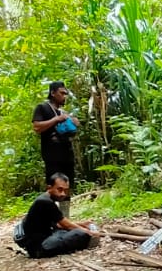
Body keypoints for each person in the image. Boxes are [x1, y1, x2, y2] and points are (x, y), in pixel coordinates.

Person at [15, 173, 100, 258]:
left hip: (43, 240)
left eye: (65, 190)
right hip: (39, 248)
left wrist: (82, 224)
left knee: (68, 231)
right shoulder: (45, 202)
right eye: (59, 189)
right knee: (80, 233)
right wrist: (90, 233)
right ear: (49, 188)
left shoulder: (46, 199)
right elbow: (67, 225)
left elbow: (58, 224)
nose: (63, 194)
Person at [32, 81, 80, 218]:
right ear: (53, 93)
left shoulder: (63, 112)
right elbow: (37, 127)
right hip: (52, 157)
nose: (64, 96)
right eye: (61, 93)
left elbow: (70, 133)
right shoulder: (43, 108)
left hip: (67, 156)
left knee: (66, 187)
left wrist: (73, 124)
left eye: (66, 94)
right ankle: (50, 218)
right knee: (53, 187)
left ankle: (65, 218)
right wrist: (56, 119)